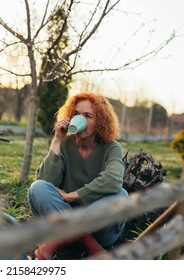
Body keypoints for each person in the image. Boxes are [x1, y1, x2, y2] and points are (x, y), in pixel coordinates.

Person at [28, 92, 128, 260]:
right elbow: (46, 180)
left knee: (121, 196)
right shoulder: (65, 144)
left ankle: (59, 241)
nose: (79, 120)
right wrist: (57, 140)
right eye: (75, 114)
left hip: (100, 228)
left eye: (87, 116)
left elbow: (113, 179)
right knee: (37, 188)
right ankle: (87, 240)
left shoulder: (112, 148)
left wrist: (74, 196)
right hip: (65, 218)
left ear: (100, 121)